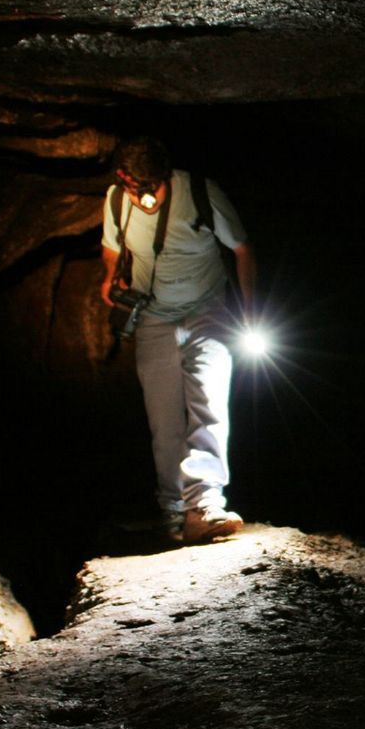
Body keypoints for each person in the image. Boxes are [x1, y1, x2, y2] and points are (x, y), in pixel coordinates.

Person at [100, 139, 257, 543]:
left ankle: (204, 504)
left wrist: (250, 308)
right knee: (163, 416)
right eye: (140, 187)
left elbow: (241, 249)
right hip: (153, 317)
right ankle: (172, 510)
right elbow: (111, 246)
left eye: (156, 184)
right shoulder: (117, 200)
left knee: (207, 400)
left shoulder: (201, 192)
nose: (149, 195)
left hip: (207, 311)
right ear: (124, 179)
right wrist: (110, 276)